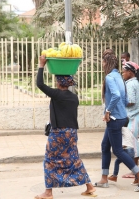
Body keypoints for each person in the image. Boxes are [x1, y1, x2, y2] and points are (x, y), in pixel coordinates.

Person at [35, 56, 96, 199]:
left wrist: (41, 65)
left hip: (58, 133)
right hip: (72, 132)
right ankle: (90, 186)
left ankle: (48, 192)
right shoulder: (74, 97)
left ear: (59, 82)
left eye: (57, 80)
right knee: (74, 159)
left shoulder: (57, 95)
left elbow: (40, 84)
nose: (55, 82)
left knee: (50, 160)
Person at [94, 52, 139, 192]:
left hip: (115, 119)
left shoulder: (110, 77)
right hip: (121, 117)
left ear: (107, 63)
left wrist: (108, 111)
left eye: (103, 62)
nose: (102, 64)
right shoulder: (118, 76)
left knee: (118, 150)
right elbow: (124, 98)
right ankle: (104, 178)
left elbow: (117, 95)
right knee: (105, 146)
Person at [121, 61, 139, 185]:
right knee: (133, 142)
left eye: (124, 71)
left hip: (133, 116)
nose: (122, 73)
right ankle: (138, 170)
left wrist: (120, 103)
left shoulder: (130, 84)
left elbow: (131, 101)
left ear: (130, 72)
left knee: (131, 144)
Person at [108, 118, 136, 183]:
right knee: (132, 165)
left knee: (128, 165)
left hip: (126, 150)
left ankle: (114, 176)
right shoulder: (128, 130)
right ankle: (137, 178)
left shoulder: (121, 129)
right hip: (131, 150)